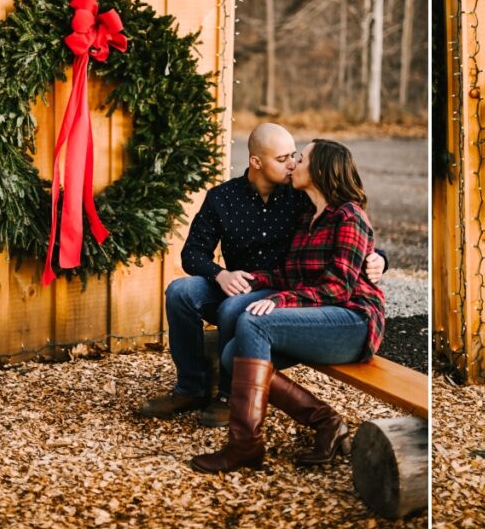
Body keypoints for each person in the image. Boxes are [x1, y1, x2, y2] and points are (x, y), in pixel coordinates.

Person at [137, 123, 384, 428]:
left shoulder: (301, 197)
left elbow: (351, 234)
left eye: (295, 157)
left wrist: (380, 259)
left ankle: (229, 397)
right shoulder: (223, 198)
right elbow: (191, 254)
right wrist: (220, 274)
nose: (292, 164)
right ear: (256, 162)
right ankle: (191, 389)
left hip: (279, 293)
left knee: (234, 308)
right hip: (245, 281)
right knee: (180, 292)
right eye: (282, 159)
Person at [190, 138, 385, 473]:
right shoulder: (309, 216)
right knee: (231, 355)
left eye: (301, 158)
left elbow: (338, 288)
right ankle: (326, 422)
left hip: (354, 321)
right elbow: (291, 274)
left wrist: (280, 301)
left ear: (320, 170)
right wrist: (254, 280)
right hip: (320, 315)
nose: (294, 162)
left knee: (254, 321)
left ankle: (244, 446)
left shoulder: (349, 217)